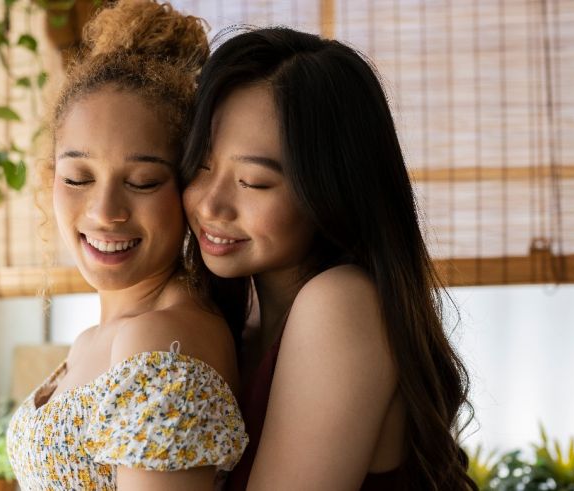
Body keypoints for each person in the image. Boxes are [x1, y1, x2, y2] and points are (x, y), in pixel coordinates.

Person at [181, 27, 476, 490]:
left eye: (254, 182)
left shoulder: (342, 304)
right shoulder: (236, 317)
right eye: (200, 164)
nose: (210, 206)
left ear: (330, 191)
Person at [6, 2, 248, 490]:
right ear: (50, 179)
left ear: (186, 190)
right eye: (78, 177)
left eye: (141, 181)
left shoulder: (162, 346)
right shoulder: (100, 338)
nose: (104, 211)